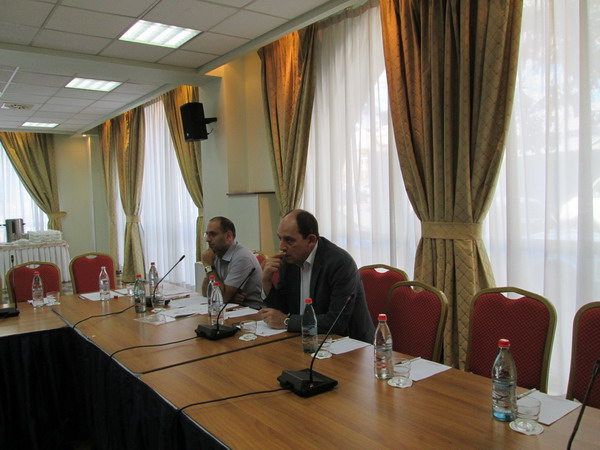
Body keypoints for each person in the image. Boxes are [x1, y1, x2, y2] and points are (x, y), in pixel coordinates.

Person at [260, 209, 374, 343]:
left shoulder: (340, 263)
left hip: (348, 343)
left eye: (289, 240)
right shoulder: (289, 260)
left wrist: (287, 321)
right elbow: (281, 312)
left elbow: (336, 322)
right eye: (280, 238)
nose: (282, 247)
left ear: (311, 240)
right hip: (304, 339)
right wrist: (266, 282)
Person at [201, 216, 263, 309]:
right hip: (232, 307)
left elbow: (222, 298)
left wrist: (209, 265)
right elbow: (206, 292)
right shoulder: (216, 254)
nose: (208, 239)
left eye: (213, 234)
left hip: (253, 310)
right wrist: (229, 297)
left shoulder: (242, 257)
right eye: (207, 234)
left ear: (228, 236)